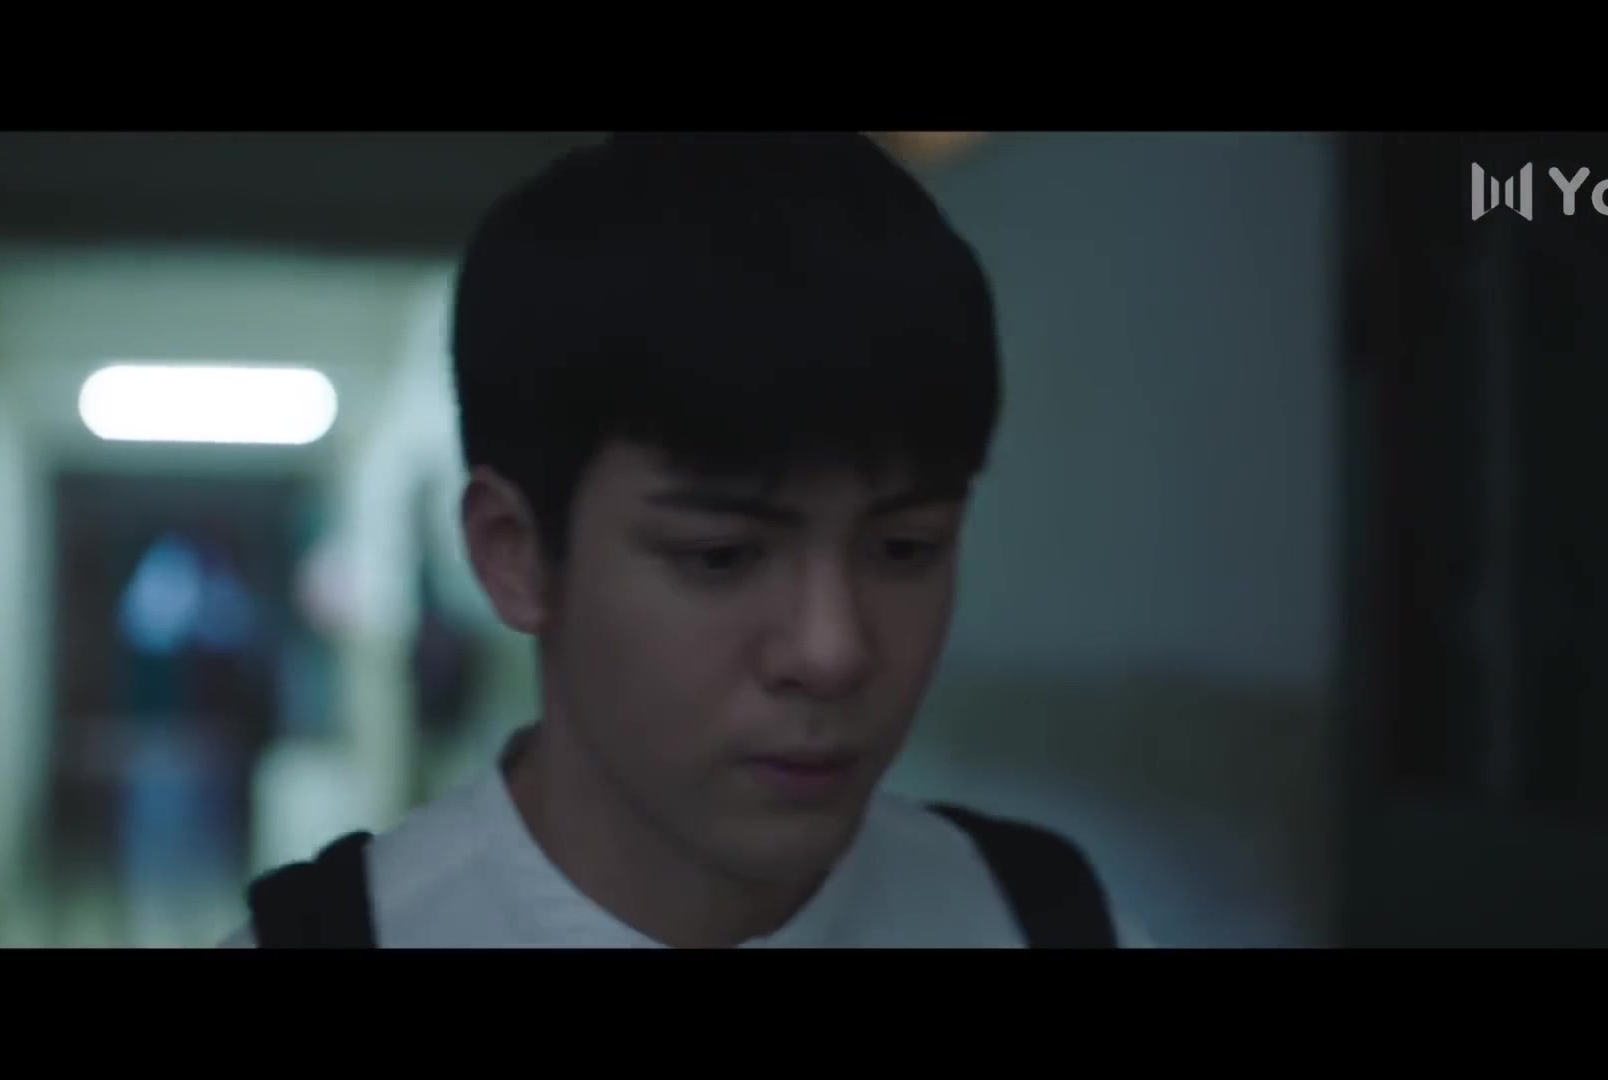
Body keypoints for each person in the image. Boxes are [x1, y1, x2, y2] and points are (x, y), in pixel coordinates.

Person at [224, 132, 1125, 948]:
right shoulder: (353, 935)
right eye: (720, 557)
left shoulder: (1044, 920)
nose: (833, 651)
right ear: (515, 553)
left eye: (905, 549)